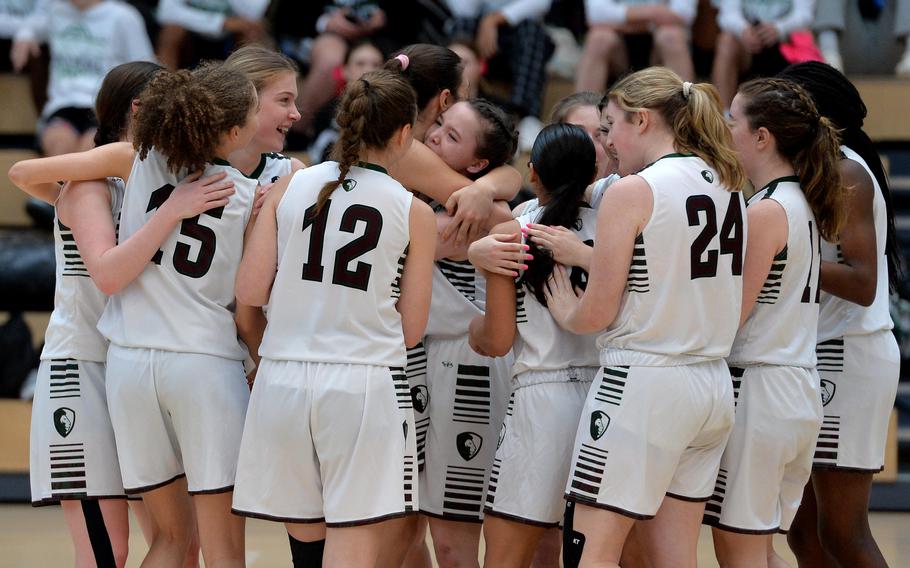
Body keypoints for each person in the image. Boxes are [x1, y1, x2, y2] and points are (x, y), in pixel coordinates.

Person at [9, 61, 235, 568]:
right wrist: (171, 211)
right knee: (105, 552)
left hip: (132, 372)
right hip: (81, 372)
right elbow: (108, 275)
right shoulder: (93, 186)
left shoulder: (150, 181)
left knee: (180, 543)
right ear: (139, 110)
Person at [231, 68, 436, 567]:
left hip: (283, 381)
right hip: (362, 385)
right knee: (352, 550)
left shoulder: (289, 185)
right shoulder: (414, 211)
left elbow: (250, 292)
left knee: (307, 549)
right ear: (405, 134)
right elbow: (411, 331)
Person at [544, 67, 747, 568]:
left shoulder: (634, 192)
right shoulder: (727, 183)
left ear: (641, 120)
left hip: (643, 384)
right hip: (712, 388)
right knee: (675, 558)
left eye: (610, 125)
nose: (607, 142)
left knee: (588, 553)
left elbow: (597, 311)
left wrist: (567, 311)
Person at [702, 76, 846, 568]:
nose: (724, 132)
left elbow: (730, 316)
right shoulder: (799, 201)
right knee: (758, 548)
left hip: (763, 391)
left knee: (739, 548)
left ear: (762, 137)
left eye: (731, 123)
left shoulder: (765, 211)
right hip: (794, 389)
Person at [778, 60, 902, 568]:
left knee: (842, 532)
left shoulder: (845, 168)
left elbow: (861, 280)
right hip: (822, 350)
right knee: (804, 533)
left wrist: (784, 260)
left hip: (849, 354)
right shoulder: (814, 168)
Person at [467, 122, 599, 568]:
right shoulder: (618, 222)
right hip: (609, 394)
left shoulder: (515, 232)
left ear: (534, 172)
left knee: (506, 555)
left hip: (541, 402)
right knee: (610, 551)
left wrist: (472, 329)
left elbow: (497, 340)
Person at [409, 98, 518, 568]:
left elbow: (506, 214)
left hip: (466, 366)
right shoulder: (424, 186)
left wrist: (490, 187)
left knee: (453, 542)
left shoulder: (485, 208)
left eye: (452, 136)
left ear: (477, 164)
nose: (434, 136)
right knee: (400, 530)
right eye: (439, 126)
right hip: (411, 358)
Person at [11, 0, 154, 156]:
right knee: (59, 146)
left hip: (104, 108)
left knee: (90, 151)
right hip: (62, 107)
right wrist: (25, 35)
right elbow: (30, 25)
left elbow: (147, 70)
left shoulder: (123, 16)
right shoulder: (55, 12)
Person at [711, 0, 815, 108]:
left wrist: (779, 29)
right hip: (748, 46)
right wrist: (743, 30)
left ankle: (807, 109)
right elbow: (727, 14)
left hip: (787, 44)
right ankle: (724, 115)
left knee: (805, 35)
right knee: (726, 41)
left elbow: (805, 14)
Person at [575, 0, 695, 93]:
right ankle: (582, 117)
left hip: (658, 51)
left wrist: (621, 20)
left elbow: (683, 13)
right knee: (599, 38)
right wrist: (655, 13)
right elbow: (596, 14)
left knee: (672, 36)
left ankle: (688, 114)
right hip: (619, 50)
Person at [155, 0, 270, 70]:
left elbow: (253, 15)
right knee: (171, 31)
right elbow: (165, 13)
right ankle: (165, 87)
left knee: (252, 32)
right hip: (190, 36)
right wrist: (220, 23)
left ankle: (250, 88)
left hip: (232, 36)